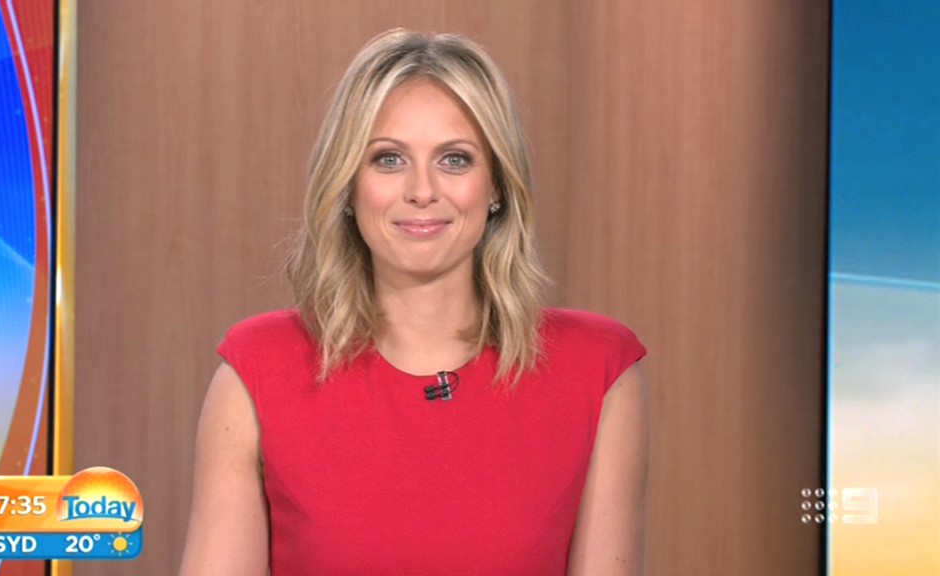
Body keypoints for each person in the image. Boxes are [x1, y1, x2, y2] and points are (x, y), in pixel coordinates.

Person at [180, 28, 649, 576]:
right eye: (388, 159)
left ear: (497, 186)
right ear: (347, 185)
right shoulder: (257, 371)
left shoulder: (598, 371)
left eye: (454, 159)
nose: (422, 190)